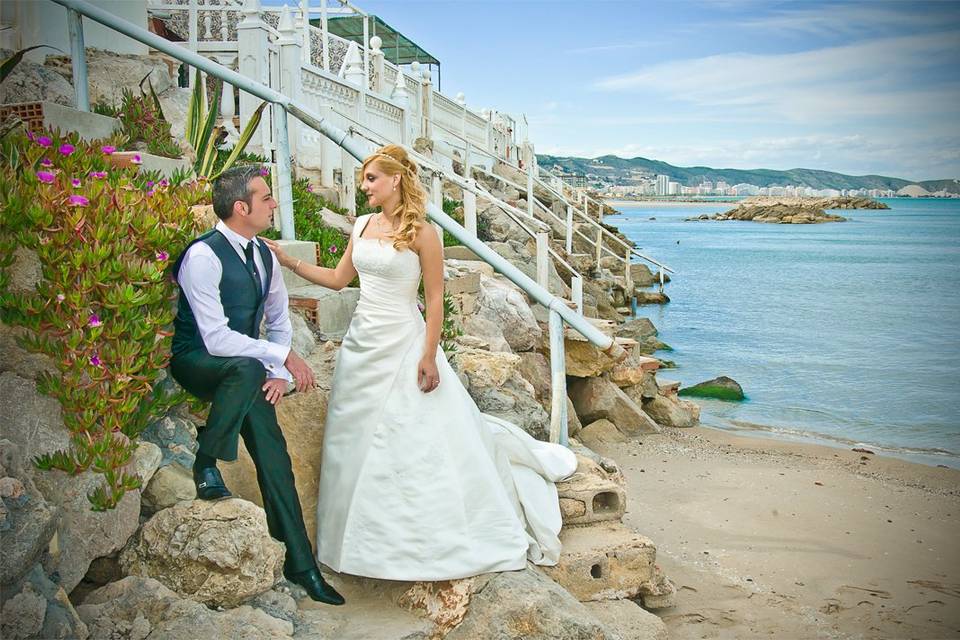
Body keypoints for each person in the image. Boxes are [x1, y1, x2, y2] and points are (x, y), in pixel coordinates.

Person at [264, 145, 576, 581]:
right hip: (362, 347)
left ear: (395, 179)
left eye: (371, 178)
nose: (364, 187)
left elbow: (434, 300)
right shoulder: (361, 225)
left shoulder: (423, 233)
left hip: (405, 342)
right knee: (351, 441)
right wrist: (288, 260)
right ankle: (352, 544)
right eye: (363, 179)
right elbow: (338, 280)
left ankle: (421, 538)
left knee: (413, 436)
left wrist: (429, 354)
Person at [169, 165, 344, 605]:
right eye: (265, 198)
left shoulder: (266, 255)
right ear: (240, 207)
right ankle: (206, 459)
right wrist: (279, 356)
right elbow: (215, 337)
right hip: (198, 361)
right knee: (246, 367)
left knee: (275, 458)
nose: (273, 203)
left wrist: (279, 373)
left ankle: (301, 566)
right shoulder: (203, 256)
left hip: (246, 371)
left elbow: (280, 321)